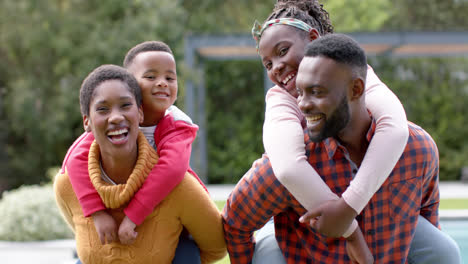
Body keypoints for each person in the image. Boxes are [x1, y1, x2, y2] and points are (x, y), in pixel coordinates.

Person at [248, 1, 461, 263]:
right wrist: (352, 232)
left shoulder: (358, 77)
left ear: (313, 39)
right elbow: (289, 167)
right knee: (267, 255)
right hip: (302, 219)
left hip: (373, 206)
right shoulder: (281, 98)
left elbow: (394, 129)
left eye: (283, 51)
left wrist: (348, 207)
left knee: (444, 251)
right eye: (267, 64)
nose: (276, 67)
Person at [54, 64, 226, 263]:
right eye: (102, 109)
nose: (116, 117)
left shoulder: (178, 187)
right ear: (87, 122)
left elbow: (216, 247)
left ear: (141, 114)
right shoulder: (67, 185)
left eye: (126, 105)